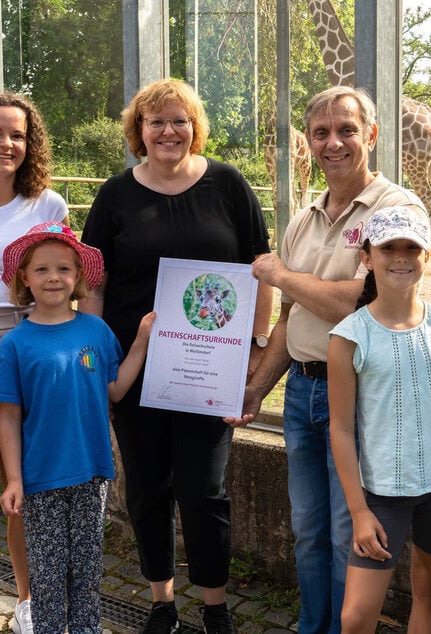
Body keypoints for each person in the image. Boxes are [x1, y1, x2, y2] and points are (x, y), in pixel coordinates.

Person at [227, 87, 427, 634]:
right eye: (321, 133)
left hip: (363, 395)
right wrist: (252, 388)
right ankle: (313, 625)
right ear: (309, 142)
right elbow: (294, 319)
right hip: (302, 393)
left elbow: (362, 300)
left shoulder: (396, 210)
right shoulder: (304, 220)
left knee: (349, 532)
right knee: (308, 529)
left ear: (372, 135)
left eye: (346, 130)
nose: (333, 142)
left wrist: (281, 275)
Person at [79, 78, 272, 634]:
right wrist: (96, 357)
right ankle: (162, 603)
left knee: (202, 490)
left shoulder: (228, 185)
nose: (168, 130)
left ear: (195, 127)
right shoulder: (116, 195)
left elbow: (261, 274)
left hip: (210, 372)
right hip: (135, 371)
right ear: (138, 131)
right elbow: (95, 282)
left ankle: (214, 608)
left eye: (179, 120)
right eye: (156, 121)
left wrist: (255, 356)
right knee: (146, 489)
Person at [0, 221, 155, 634]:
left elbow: (115, 390)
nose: (54, 278)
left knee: (86, 573)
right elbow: (8, 416)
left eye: (64, 269)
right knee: (48, 580)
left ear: (78, 276)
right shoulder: (15, 344)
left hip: (92, 474)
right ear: (24, 278)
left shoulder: (95, 331)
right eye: (43, 269)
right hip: (41, 478)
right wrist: (13, 480)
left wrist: (141, 339)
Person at [327, 206, 431, 633]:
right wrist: (358, 511)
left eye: (411, 247)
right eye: (388, 247)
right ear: (367, 257)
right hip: (382, 496)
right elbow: (340, 429)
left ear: (426, 255)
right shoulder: (348, 337)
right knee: (356, 616)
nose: (401, 256)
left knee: (430, 589)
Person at [0, 92, 69, 634]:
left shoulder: (47, 206)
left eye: (17, 135)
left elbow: (66, 278)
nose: (6, 144)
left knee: (24, 481)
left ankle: (27, 599)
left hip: (26, 339)